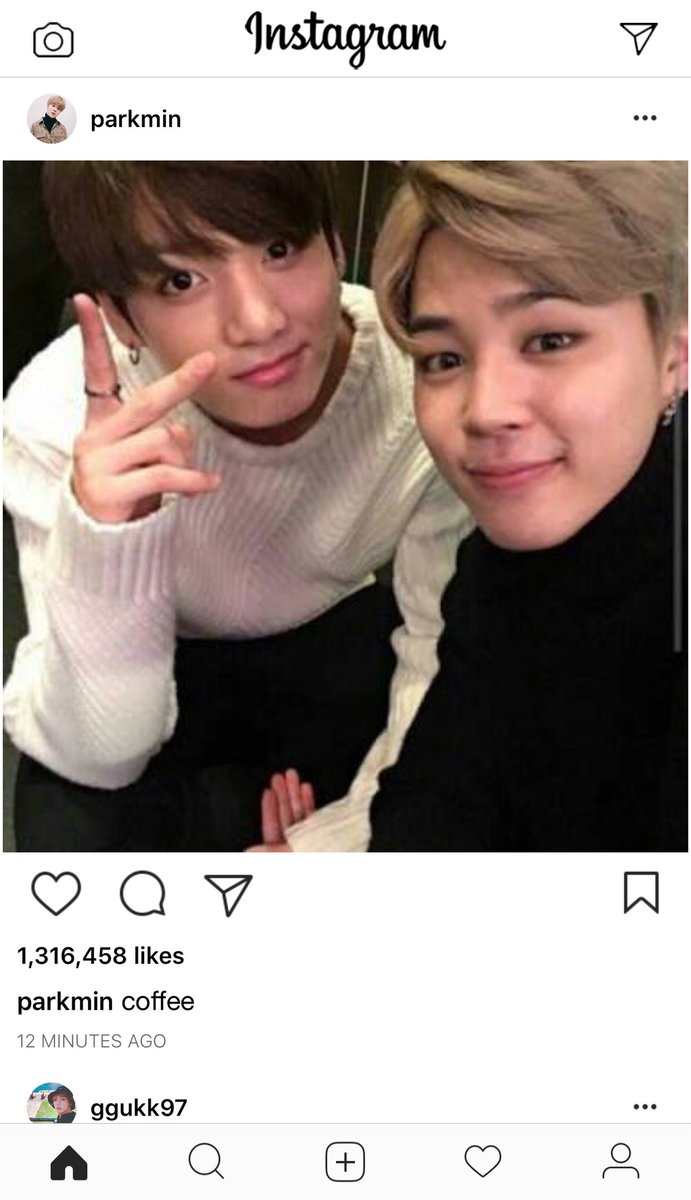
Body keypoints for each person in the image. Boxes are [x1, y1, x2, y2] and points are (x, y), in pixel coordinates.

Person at [3, 161, 468, 852]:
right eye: (180, 280)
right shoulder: (56, 414)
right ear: (121, 317)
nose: (259, 321)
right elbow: (101, 756)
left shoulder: (419, 379)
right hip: (153, 660)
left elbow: (438, 649)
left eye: (280, 248)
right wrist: (108, 540)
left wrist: (332, 844)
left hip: (331, 652)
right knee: (69, 822)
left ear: (334, 242)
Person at [265, 161, 687, 852]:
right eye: (443, 359)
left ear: (672, 355)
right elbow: (433, 800)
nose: (485, 410)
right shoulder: (495, 571)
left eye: (549, 341)